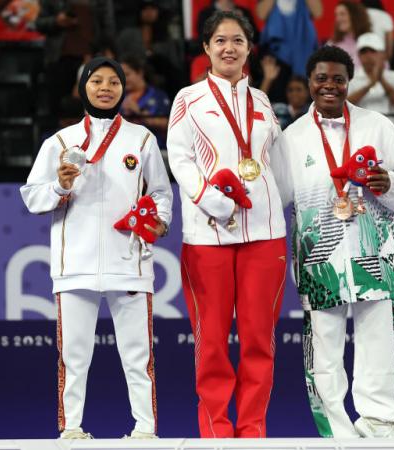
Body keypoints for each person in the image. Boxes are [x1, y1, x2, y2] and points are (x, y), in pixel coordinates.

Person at [270, 45, 394, 439]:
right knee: (324, 352)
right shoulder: (291, 138)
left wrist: (390, 184)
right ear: (309, 82)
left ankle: (380, 426)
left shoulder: (377, 126)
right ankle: (337, 433)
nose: (330, 86)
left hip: (376, 253)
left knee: (379, 344)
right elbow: (276, 199)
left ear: (348, 83)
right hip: (319, 259)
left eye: (338, 79)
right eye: (322, 78)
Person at [20, 57, 172, 440]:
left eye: (114, 82)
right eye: (96, 81)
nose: (106, 87)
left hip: (130, 262)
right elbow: (32, 198)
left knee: (139, 356)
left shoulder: (142, 139)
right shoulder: (59, 142)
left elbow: (160, 192)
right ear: (82, 88)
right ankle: (71, 429)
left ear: (124, 88)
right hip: (76, 265)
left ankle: (146, 430)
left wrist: (161, 220)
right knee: (73, 357)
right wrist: (60, 186)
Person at [166, 10, 288, 438]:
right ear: (206, 48)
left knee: (259, 339)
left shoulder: (263, 101)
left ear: (248, 48)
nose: (229, 48)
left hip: (265, 234)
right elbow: (179, 159)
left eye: (237, 40)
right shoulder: (188, 98)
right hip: (208, 234)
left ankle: (252, 429)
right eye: (220, 40)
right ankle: (217, 429)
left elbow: (274, 162)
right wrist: (211, 200)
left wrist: (279, 207)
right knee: (212, 341)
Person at [348, 33, 394, 130]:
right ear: (358, 55)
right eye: (364, 52)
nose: (368, 56)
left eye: (373, 51)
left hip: (390, 130)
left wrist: (382, 80)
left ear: (383, 54)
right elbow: (344, 105)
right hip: (361, 130)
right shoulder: (351, 77)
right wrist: (370, 85)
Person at [119, 55, 170, 147]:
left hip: (154, 149)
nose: (123, 79)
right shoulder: (117, 97)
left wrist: (138, 111)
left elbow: (167, 124)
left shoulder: (158, 96)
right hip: (124, 150)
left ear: (140, 73)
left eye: (127, 74)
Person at [326, 1, 370, 71]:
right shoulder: (332, 44)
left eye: (342, 14)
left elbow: (383, 66)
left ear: (355, 15)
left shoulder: (370, 40)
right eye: (336, 15)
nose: (338, 19)